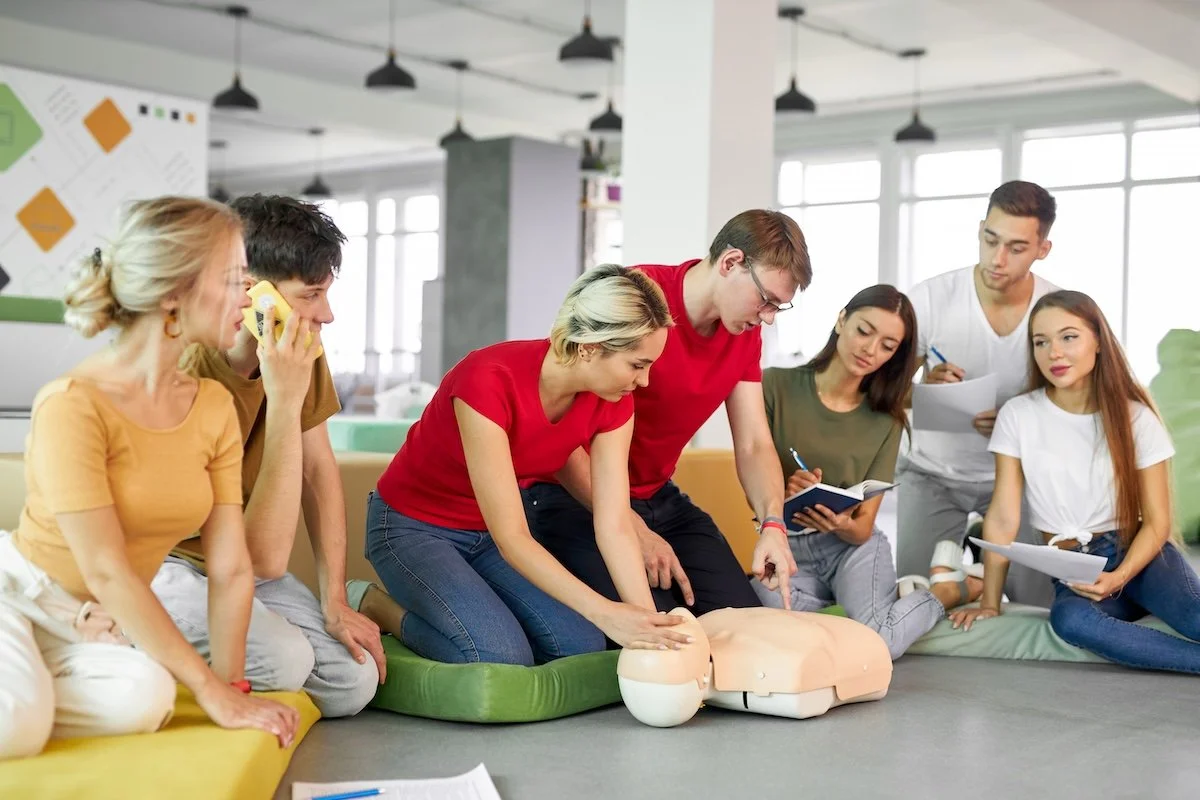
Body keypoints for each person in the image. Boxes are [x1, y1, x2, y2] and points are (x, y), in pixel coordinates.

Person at [0, 197, 299, 760]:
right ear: (173, 294)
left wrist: (230, 691)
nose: (249, 297)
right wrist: (207, 690)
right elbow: (107, 568)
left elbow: (232, 567)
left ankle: (26, 688)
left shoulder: (211, 407)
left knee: (148, 695)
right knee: (17, 725)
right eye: (235, 280)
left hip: (91, 628)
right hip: (17, 598)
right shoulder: (73, 403)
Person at [365, 265, 691, 664]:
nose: (644, 381)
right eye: (637, 364)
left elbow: (615, 524)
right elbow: (513, 537)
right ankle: (376, 608)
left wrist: (646, 626)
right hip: (413, 528)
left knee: (579, 646)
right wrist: (606, 613)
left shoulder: (616, 402)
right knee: (496, 653)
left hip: (486, 537)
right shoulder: (487, 379)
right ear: (589, 347)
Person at [151, 195, 388, 718]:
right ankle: (133, 635)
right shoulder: (186, 370)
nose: (326, 314)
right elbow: (266, 558)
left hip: (246, 565)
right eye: (312, 295)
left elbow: (318, 468)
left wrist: (334, 600)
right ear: (254, 294)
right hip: (168, 562)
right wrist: (282, 399)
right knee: (283, 662)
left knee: (353, 682)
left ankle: (211, 660)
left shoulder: (299, 345)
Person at [524, 210, 812, 615]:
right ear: (731, 263)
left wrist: (773, 525)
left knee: (743, 620)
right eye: (765, 300)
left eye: (778, 308)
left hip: (658, 497)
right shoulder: (639, 298)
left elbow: (753, 442)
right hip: (571, 495)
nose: (766, 317)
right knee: (663, 626)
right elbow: (558, 426)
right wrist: (626, 523)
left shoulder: (744, 335)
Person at [950, 291, 1200, 674]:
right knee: (1070, 623)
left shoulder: (1136, 418)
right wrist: (990, 601)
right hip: (1076, 570)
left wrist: (1119, 575)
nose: (1054, 352)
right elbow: (1001, 518)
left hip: (1142, 558)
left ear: (1097, 341)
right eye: (1041, 342)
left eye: (1069, 337)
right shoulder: (1019, 415)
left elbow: (1157, 522)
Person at [752, 285, 948, 659]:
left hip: (851, 549)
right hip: (787, 545)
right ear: (842, 320)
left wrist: (840, 522)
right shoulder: (774, 384)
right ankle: (855, 614)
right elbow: (753, 482)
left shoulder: (886, 420)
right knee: (790, 637)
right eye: (864, 331)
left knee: (879, 643)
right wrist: (785, 488)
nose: (871, 350)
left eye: (888, 346)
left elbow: (861, 528)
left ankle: (944, 594)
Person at [896, 181, 1059, 609]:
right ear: (981, 229)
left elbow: (1079, 406)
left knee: (1034, 608)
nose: (997, 259)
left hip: (1019, 476)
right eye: (991, 240)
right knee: (913, 600)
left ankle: (975, 561)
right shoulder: (930, 299)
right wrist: (921, 389)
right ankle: (972, 571)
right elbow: (882, 395)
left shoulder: (1057, 307)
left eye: (1017, 247)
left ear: (1043, 249)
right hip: (931, 471)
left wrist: (1017, 415)